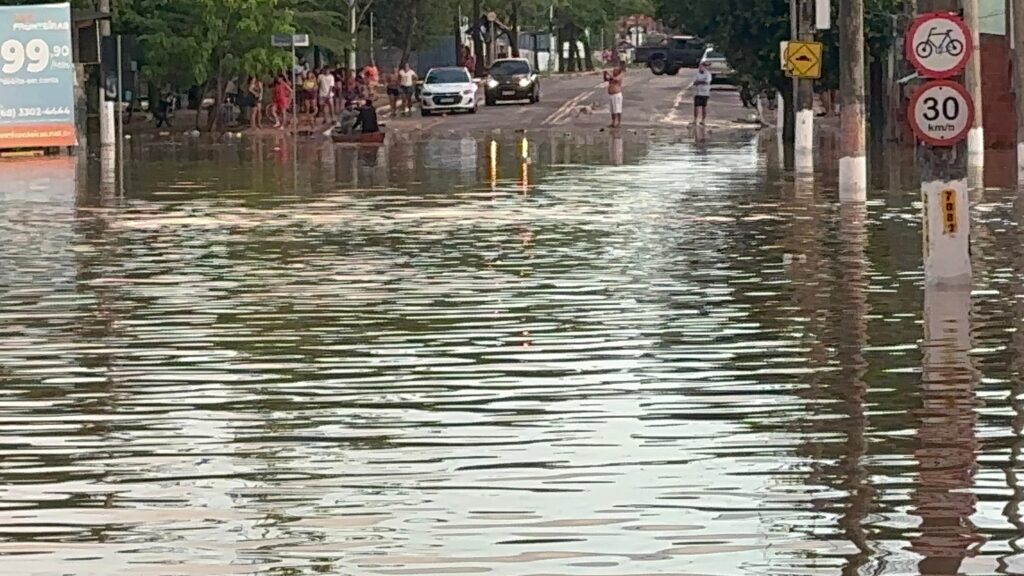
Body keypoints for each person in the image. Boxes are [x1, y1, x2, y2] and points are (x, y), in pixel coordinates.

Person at [603, 62, 624, 128]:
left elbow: (616, 79)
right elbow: (606, 79)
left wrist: (609, 73)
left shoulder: (620, 75)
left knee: (618, 109)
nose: (613, 71)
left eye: (615, 70)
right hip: (611, 95)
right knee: (612, 110)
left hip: (617, 95)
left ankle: (619, 122)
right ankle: (613, 122)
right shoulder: (612, 76)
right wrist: (604, 73)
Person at [693, 60, 713, 125]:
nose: (701, 68)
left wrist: (699, 82)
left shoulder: (708, 74)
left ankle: (703, 120)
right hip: (698, 92)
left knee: (704, 107)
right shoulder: (696, 73)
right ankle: (695, 120)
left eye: (703, 67)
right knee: (696, 106)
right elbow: (695, 82)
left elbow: (707, 81)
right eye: (700, 67)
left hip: (705, 93)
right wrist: (700, 82)